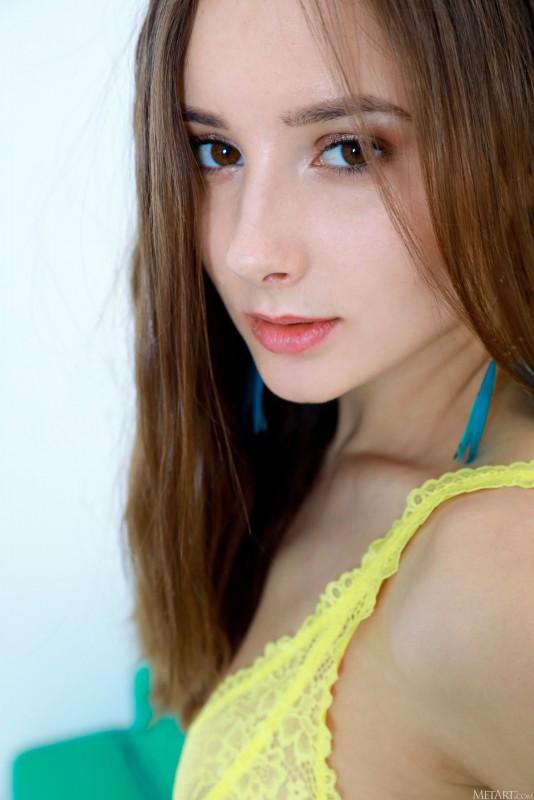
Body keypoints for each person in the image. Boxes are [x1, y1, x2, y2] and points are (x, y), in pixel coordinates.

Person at [126, 0, 534, 796]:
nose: (249, 250)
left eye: (349, 150)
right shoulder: (296, 449)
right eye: (216, 151)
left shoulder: (497, 571)